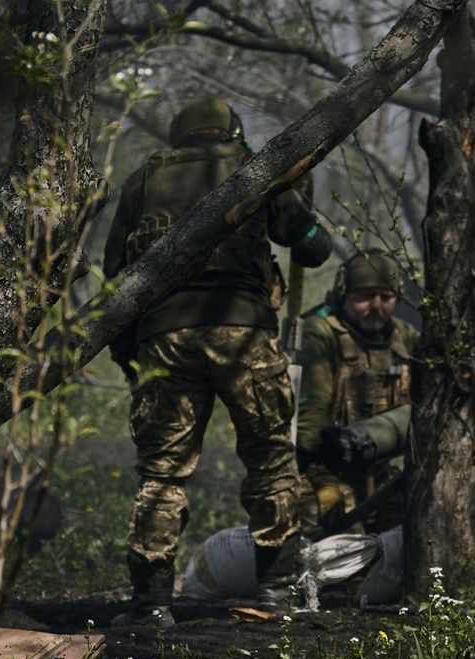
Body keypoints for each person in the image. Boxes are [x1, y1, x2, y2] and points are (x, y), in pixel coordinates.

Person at [101, 96, 332, 624]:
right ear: (230, 131)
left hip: (165, 338)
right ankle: (275, 591)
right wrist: (294, 197)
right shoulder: (256, 171)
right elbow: (313, 248)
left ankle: (152, 602)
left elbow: (116, 272)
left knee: (161, 474)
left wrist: (129, 353)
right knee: (272, 459)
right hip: (245, 333)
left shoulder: (142, 179)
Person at [295, 250, 417, 536]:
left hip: (381, 473)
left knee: (411, 534)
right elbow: (310, 413)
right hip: (321, 470)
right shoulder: (319, 333)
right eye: (365, 296)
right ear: (343, 293)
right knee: (328, 538)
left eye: (385, 297)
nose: (376, 306)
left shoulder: (405, 337)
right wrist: (323, 482)